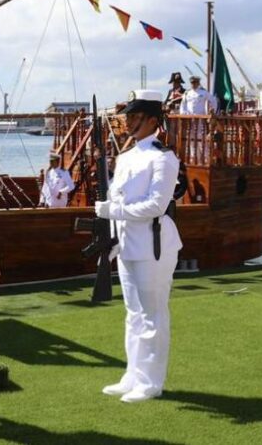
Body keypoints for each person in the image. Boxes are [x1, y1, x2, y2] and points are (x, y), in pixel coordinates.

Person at [95, 89, 182, 404]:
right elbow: (121, 198)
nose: (128, 122)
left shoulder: (163, 157)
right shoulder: (126, 157)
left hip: (154, 245)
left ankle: (150, 381)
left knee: (153, 314)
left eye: (134, 116)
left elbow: (156, 206)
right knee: (133, 313)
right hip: (128, 245)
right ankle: (132, 374)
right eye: (127, 116)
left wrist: (111, 211)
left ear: (152, 120)